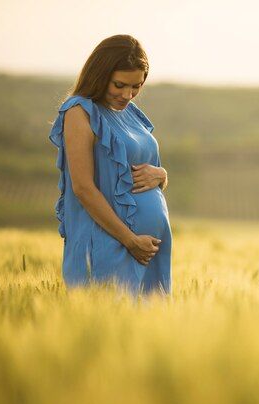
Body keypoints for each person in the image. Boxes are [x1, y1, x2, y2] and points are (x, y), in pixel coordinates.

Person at [49, 34, 171, 295]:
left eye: (136, 86)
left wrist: (162, 176)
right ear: (100, 75)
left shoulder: (130, 112)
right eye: (119, 85)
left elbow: (139, 168)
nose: (128, 94)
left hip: (147, 250)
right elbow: (83, 188)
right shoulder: (79, 112)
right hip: (111, 246)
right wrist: (130, 240)